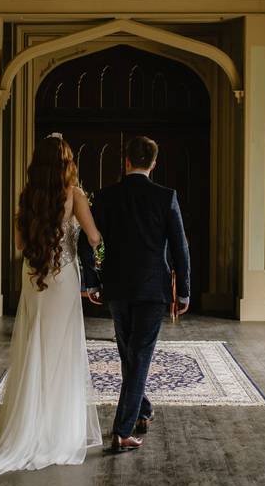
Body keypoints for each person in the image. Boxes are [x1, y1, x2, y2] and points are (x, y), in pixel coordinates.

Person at [0, 134, 102, 481]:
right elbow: (94, 238)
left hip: (35, 278)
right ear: (66, 164)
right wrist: (99, 261)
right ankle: (57, 428)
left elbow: (19, 244)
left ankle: (31, 423)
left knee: (36, 348)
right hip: (64, 279)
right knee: (61, 351)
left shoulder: (28, 197)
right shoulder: (74, 196)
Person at [80, 135, 190, 453]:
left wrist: (91, 281)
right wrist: (183, 291)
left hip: (116, 287)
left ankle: (142, 409)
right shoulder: (166, 196)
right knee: (137, 355)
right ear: (153, 164)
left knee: (131, 354)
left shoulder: (105, 197)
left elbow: (88, 241)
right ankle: (122, 430)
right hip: (152, 289)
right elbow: (180, 248)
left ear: (126, 161)